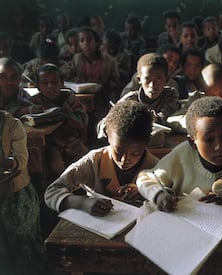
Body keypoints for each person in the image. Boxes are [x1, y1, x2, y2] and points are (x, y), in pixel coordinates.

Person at [44, 100, 159, 215]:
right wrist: (82, 202)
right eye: (118, 151)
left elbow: (171, 196)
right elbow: (52, 192)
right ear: (108, 136)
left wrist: (147, 191)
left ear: (146, 144)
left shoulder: (157, 167)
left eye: (135, 153)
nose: (124, 160)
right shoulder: (94, 161)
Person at [137, 96, 222, 212]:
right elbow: (144, 179)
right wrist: (159, 194)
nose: (219, 146)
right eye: (209, 140)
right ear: (192, 142)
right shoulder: (181, 156)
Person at [0, 110, 46, 275]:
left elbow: (20, 161)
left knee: (24, 248)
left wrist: (3, 161)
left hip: (15, 196)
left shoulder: (11, 124)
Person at [31, 63, 89, 178]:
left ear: (62, 83)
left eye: (54, 82)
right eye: (44, 83)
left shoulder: (68, 98)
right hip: (50, 145)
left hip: (72, 141)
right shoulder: (36, 101)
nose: (50, 87)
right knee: (57, 168)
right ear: (38, 86)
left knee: (89, 164)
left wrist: (66, 110)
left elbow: (82, 122)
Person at [119, 53, 178, 125]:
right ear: (139, 79)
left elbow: (163, 118)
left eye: (158, 79)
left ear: (166, 79)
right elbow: (107, 121)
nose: (152, 85)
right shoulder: (130, 100)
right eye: (147, 79)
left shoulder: (170, 95)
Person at [71, 27, 120, 107]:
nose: (86, 43)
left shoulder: (109, 61)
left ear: (96, 42)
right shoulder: (76, 59)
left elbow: (117, 82)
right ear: (79, 44)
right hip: (81, 101)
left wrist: (101, 84)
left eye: (89, 40)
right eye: (82, 40)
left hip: (103, 100)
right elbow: (71, 77)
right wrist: (77, 80)